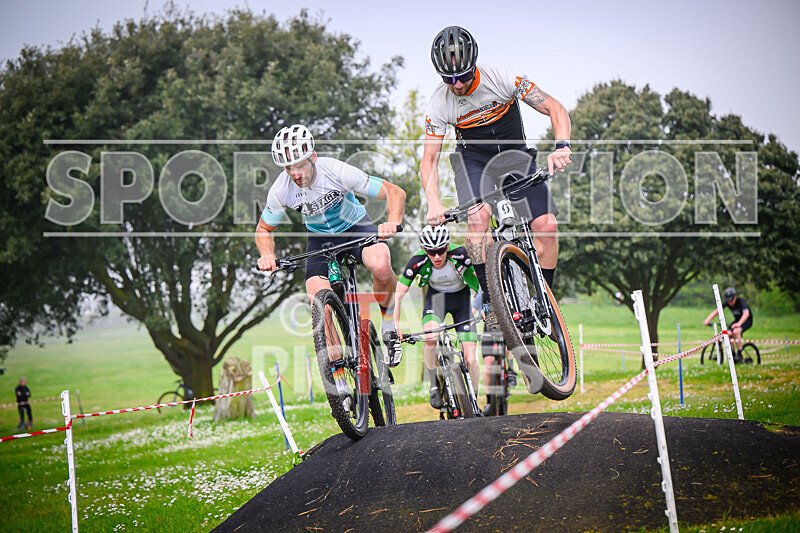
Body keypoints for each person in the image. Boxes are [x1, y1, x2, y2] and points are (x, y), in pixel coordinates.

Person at [420, 26, 572, 390]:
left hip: (516, 157)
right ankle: (491, 301)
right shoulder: (439, 101)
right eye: (448, 78)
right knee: (477, 217)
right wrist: (435, 202)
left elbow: (555, 108)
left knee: (547, 226)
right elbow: (428, 161)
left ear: (474, 64)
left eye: (462, 76)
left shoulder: (501, 76)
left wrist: (562, 145)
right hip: (473, 162)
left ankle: (545, 301)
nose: (456, 85)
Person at [256, 124, 406, 363]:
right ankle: (338, 377)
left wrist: (392, 221)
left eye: (301, 164)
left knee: (380, 262)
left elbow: (394, 192)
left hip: (355, 227)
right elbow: (264, 228)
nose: (295, 173)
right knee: (318, 301)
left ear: (313, 157)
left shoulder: (337, 171)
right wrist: (266, 255)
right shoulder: (280, 189)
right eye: (289, 168)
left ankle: (388, 327)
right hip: (319, 238)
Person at [393, 225, 480, 410]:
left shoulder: (461, 254)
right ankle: (434, 384)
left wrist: (480, 306)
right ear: (425, 250)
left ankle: (473, 399)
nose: (437, 256)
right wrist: (395, 326)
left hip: (462, 300)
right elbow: (398, 295)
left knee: (471, 358)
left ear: (448, 246)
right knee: (430, 337)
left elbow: (482, 283)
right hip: (436, 300)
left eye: (441, 250)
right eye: (432, 252)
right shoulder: (417, 260)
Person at [473, 289, 517, 416]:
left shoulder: (506, 289)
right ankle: (489, 402)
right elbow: (472, 311)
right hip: (489, 330)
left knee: (509, 341)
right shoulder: (483, 293)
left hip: (506, 327)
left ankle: (510, 370)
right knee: (488, 366)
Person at [702, 287, 754, 363]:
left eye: (731, 300)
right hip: (736, 321)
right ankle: (732, 353)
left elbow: (746, 314)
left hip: (746, 320)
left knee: (736, 332)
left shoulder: (741, 301)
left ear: (735, 297)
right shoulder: (727, 302)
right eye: (728, 301)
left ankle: (739, 353)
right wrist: (707, 320)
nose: (730, 302)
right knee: (727, 334)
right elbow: (717, 311)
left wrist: (739, 324)